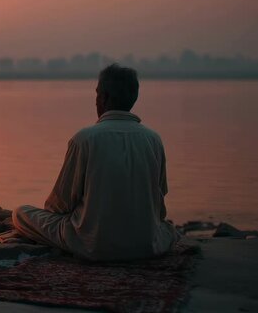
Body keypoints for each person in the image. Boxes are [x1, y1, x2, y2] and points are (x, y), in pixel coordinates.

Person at [13, 64, 178, 261]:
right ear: (134, 98)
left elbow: (60, 204)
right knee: (170, 229)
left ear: (103, 98)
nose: (96, 101)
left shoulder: (84, 139)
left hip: (92, 245)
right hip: (147, 245)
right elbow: (160, 203)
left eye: (97, 94)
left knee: (21, 213)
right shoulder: (153, 139)